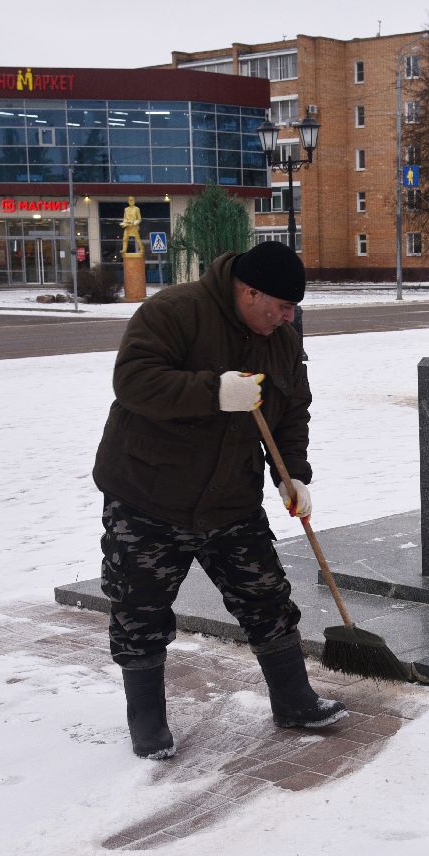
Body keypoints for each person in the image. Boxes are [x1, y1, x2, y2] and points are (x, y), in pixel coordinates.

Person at [93, 240, 343, 760]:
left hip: (230, 494)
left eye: (293, 309)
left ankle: (294, 699)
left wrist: (292, 476)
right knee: (140, 608)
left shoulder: (279, 336)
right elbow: (133, 381)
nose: (286, 318)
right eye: (278, 307)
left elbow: (293, 408)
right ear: (248, 292)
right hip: (148, 493)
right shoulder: (175, 311)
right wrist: (213, 391)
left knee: (266, 596)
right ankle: (147, 719)